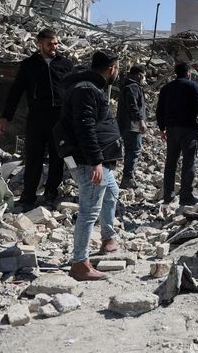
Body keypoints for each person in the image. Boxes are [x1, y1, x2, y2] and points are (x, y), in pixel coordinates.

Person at [56, 50, 123, 281]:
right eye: (118, 68)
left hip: (94, 159)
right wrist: (95, 160)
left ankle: (108, 238)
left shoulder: (89, 87)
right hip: (89, 160)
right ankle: (80, 264)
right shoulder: (86, 89)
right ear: (112, 68)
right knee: (89, 210)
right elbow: (84, 127)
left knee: (112, 192)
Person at [0, 28, 73, 210]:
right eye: (50, 44)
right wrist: (5, 117)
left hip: (59, 118)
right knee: (33, 157)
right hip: (37, 118)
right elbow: (15, 92)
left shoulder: (66, 64)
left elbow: (74, 91)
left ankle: (50, 193)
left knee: (57, 157)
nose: (54, 47)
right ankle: (28, 195)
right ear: (39, 45)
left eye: (56, 43)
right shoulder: (28, 65)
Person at [156, 62, 198, 206]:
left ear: (176, 73)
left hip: (171, 129)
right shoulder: (193, 86)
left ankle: (168, 196)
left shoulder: (166, 88)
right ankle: (186, 196)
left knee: (170, 163)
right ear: (188, 73)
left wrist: (162, 128)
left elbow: (160, 110)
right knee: (189, 163)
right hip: (188, 129)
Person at [116, 65, 146, 189]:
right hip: (131, 126)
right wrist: (140, 120)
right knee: (134, 150)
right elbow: (132, 105)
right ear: (138, 75)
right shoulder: (133, 87)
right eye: (144, 75)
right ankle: (127, 178)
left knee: (130, 151)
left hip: (127, 125)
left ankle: (127, 177)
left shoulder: (128, 86)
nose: (144, 78)